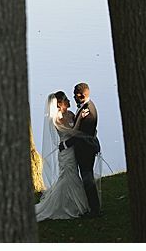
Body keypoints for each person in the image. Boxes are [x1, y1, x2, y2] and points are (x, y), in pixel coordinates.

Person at [35, 91, 89, 221]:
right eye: (66, 99)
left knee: (74, 175)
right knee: (68, 176)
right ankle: (68, 205)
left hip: (74, 150)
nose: (69, 100)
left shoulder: (70, 114)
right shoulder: (57, 118)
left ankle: (77, 203)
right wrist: (80, 118)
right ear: (59, 104)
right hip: (66, 153)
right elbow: (73, 131)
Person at [61, 82, 101, 217]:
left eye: (75, 95)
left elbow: (81, 135)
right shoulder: (85, 107)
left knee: (87, 178)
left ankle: (94, 209)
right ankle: (91, 207)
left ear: (82, 95)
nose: (73, 97)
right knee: (86, 178)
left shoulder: (89, 112)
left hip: (86, 150)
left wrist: (66, 145)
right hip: (84, 149)